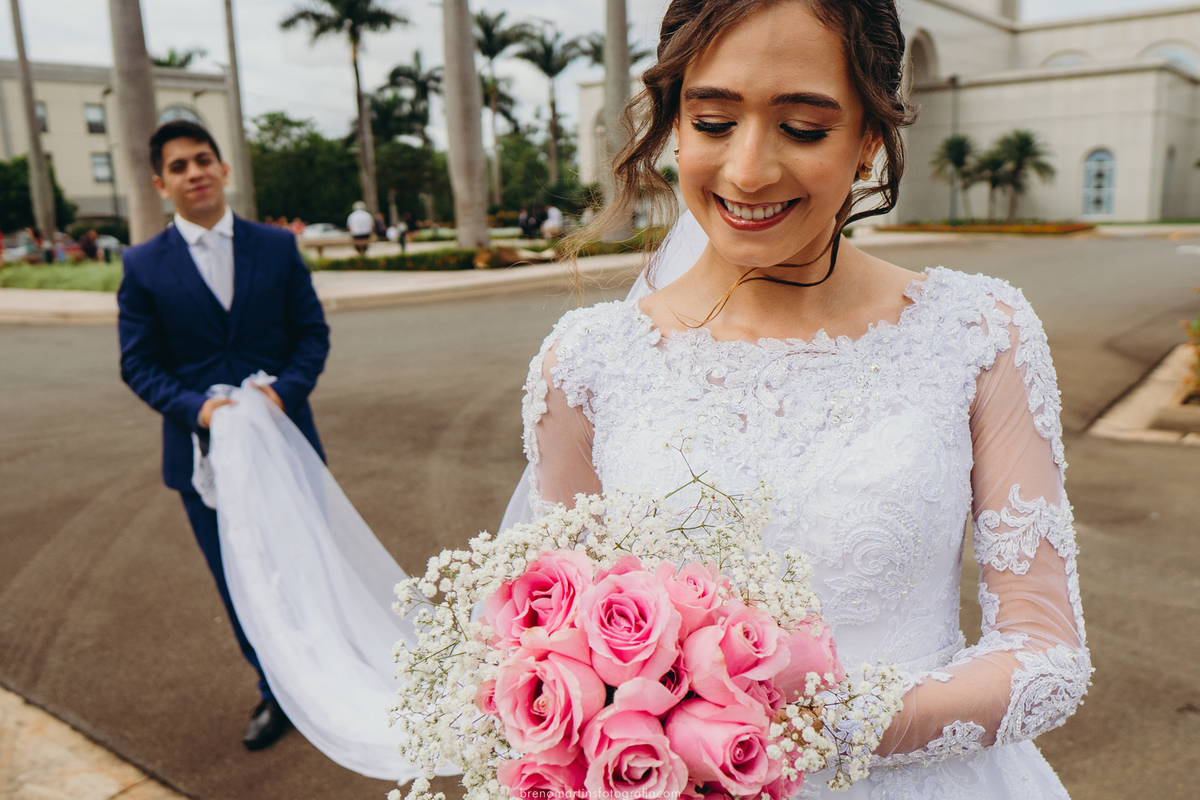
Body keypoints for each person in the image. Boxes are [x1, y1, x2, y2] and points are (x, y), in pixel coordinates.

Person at [511, 1, 1089, 797]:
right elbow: (563, 641)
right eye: (713, 121)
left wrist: (816, 728)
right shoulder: (585, 364)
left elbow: (1047, 653)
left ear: (868, 144)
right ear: (674, 125)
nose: (748, 170)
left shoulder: (978, 332)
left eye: (804, 130)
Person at [117, 119, 329, 752]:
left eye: (203, 159)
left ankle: (324, 678)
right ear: (162, 184)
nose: (195, 172)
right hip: (202, 461)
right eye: (179, 166)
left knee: (305, 566)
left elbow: (310, 336)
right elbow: (138, 363)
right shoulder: (143, 265)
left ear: (224, 168)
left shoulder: (276, 247)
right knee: (240, 580)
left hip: (287, 445)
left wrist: (281, 392)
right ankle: (275, 690)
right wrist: (197, 410)